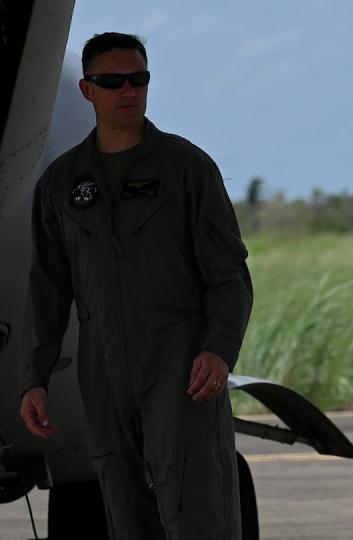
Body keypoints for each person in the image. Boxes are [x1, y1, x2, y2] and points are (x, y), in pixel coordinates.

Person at [18, 32, 252, 539]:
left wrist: (219, 351)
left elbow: (230, 274)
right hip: (103, 381)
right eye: (113, 81)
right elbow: (49, 289)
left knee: (199, 512)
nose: (128, 91)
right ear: (86, 90)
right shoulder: (61, 184)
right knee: (126, 516)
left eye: (138, 79)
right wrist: (34, 378)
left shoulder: (188, 169)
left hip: (182, 374)